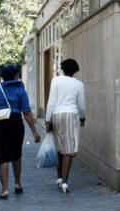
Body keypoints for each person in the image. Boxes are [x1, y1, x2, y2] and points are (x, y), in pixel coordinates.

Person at [0, 64, 41, 199]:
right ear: (16, 75)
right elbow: (26, 112)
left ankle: (4, 190)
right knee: (16, 154)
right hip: (15, 122)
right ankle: (17, 183)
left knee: (3, 157)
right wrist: (34, 131)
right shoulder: (20, 90)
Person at [45, 59, 86, 193]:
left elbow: (51, 101)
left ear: (62, 69)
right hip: (70, 114)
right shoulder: (78, 84)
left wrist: (47, 119)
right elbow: (81, 104)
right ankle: (65, 181)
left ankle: (59, 177)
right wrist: (82, 117)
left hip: (56, 114)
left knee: (59, 147)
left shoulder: (56, 81)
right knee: (68, 149)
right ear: (75, 70)